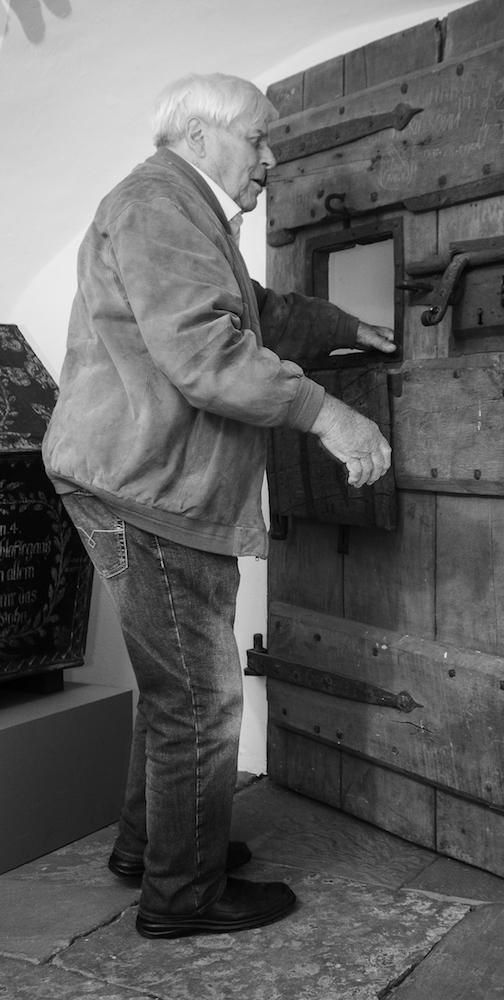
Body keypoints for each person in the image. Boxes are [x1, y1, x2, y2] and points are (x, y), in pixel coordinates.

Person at [41, 72, 394, 940]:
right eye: (258, 138)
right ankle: (183, 895)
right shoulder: (160, 203)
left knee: (175, 688)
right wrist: (329, 414)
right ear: (200, 136)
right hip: (148, 485)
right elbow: (207, 352)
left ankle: (151, 849)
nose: (270, 158)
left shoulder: (183, 211)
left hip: (141, 479)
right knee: (200, 697)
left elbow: (256, 312)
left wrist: (343, 324)